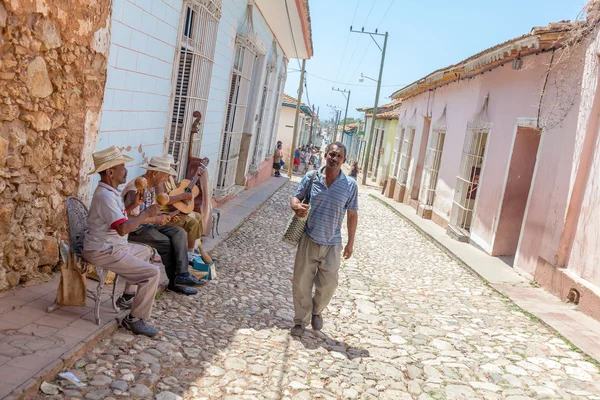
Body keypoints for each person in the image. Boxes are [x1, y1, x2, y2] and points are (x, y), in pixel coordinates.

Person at [83, 146, 161, 337]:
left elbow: (116, 219)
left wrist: (133, 205)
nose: (126, 171)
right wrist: (143, 214)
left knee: (145, 252)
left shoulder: (109, 192)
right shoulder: (105, 196)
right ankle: (135, 319)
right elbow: (122, 228)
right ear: (110, 172)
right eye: (122, 167)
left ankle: (127, 297)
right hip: (103, 250)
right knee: (152, 273)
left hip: (113, 246)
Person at [289, 142, 359, 336]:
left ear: (344, 160)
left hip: (333, 242)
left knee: (329, 284)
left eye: (338, 156)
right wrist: (296, 206)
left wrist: (350, 243)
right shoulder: (311, 177)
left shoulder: (350, 185)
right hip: (309, 237)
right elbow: (296, 198)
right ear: (325, 155)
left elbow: (352, 215)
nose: (333, 158)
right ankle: (300, 321)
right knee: (302, 282)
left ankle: (317, 311)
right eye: (331, 154)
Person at [123, 155, 205, 296]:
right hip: (135, 230)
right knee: (167, 243)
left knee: (178, 232)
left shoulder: (151, 187)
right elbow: (127, 218)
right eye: (165, 176)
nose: (166, 180)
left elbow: (149, 211)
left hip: (147, 225)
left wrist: (163, 218)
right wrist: (155, 219)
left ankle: (182, 275)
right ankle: (175, 282)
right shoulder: (135, 188)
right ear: (155, 173)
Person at [158, 154, 207, 253]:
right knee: (192, 222)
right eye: (169, 167)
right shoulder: (160, 183)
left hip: (175, 210)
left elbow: (181, 189)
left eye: (172, 166)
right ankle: (190, 252)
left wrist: (196, 178)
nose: (170, 169)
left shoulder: (171, 178)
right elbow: (165, 200)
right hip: (165, 214)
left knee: (198, 216)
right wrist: (182, 197)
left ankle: (197, 245)